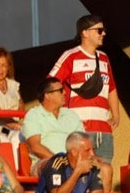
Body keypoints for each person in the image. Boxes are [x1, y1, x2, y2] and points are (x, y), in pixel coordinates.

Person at [51, 14, 120, 166]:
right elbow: (50, 84)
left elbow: (111, 88)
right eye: (99, 30)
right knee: (81, 172)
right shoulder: (70, 56)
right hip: (80, 128)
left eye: (104, 30)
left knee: (105, 170)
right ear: (85, 32)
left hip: (104, 129)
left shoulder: (104, 58)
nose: (104, 34)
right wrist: (61, 115)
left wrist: (116, 114)